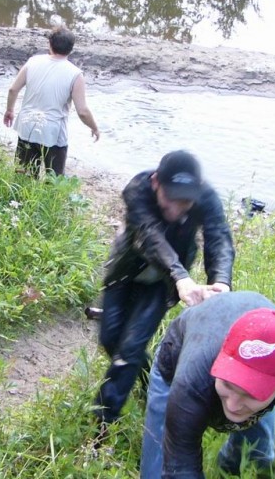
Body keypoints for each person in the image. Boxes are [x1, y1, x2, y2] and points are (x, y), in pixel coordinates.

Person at [94, 150, 234, 432]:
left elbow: (218, 238)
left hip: (161, 285)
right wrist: (181, 276)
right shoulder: (138, 189)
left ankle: (101, 425)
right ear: (156, 182)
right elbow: (148, 234)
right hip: (126, 270)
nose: (177, 209)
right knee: (110, 340)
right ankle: (153, 377)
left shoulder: (205, 196)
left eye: (185, 202)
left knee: (130, 348)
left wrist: (221, 282)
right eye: (171, 199)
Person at [141, 291, 275, 479]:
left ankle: (230, 462)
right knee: (158, 473)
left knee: (256, 461)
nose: (233, 404)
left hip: (245, 375)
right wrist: (248, 395)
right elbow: (181, 468)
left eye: (251, 393)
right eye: (229, 385)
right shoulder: (192, 378)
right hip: (180, 358)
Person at [3, 26, 100, 176]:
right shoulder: (75, 74)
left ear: (50, 43)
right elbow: (83, 111)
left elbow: (13, 90)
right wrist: (94, 127)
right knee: (53, 180)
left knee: (23, 175)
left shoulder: (32, 62)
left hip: (27, 126)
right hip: (53, 133)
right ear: (71, 49)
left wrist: (9, 110)